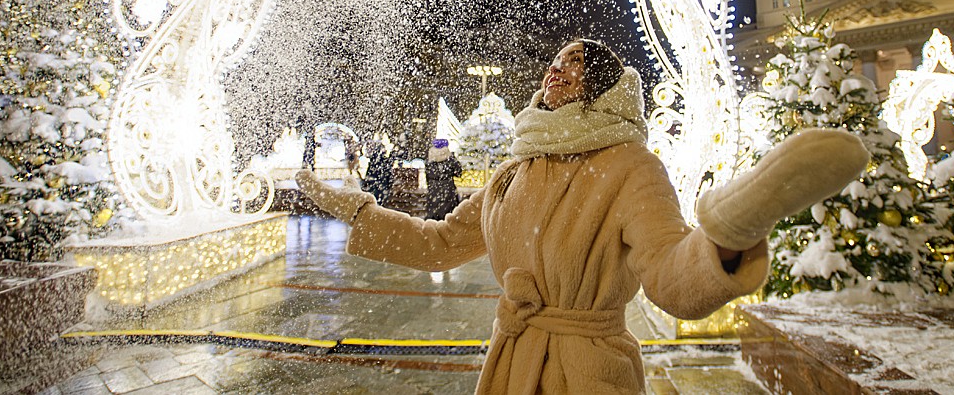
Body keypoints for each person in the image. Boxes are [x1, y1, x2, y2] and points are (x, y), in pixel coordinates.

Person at [297, 39, 869, 393]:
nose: (555, 71)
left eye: (573, 66)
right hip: (513, 363)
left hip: (590, 373)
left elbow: (671, 277)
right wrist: (360, 211)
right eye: (554, 62)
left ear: (600, 88)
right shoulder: (512, 172)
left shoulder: (628, 166)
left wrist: (730, 233)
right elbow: (440, 243)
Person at [424, 139, 463, 220]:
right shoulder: (449, 159)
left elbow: (428, 176)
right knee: (449, 214)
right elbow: (458, 172)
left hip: (434, 189)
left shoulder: (430, 160)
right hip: (448, 188)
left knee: (434, 214)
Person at [360, 139, 393, 205]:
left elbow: (370, 174)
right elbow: (389, 175)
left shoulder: (375, 161)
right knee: (379, 203)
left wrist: (366, 183)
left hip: (376, 185)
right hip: (381, 186)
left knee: (374, 202)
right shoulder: (384, 161)